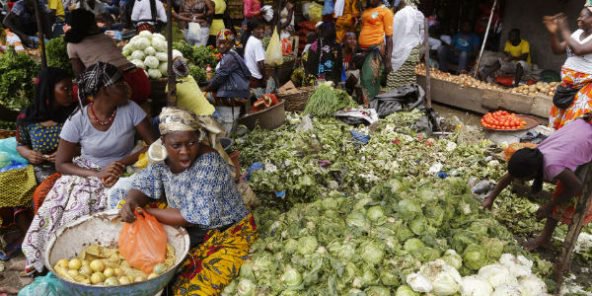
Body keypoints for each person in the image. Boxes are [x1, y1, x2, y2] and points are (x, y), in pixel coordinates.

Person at [21, 62, 156, 273]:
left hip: (127, 167)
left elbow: (154, 145)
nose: (127, 87)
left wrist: (122, 163)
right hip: (87, 169)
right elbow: (62, 163)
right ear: (104, 90)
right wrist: (97, 173)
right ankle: (53, 258)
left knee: (118, 203)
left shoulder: (131, 109)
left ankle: (98, 258)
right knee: (68, 206)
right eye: (119, 83)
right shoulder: (78, 119)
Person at [118, 107, 256, 295]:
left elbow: (188, 217)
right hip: (186, 221)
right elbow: (143, 186)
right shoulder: (161, 157)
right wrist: (132, 202)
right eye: (177, 145)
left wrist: (143, 212)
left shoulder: (209, 164)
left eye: (192, 143)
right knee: (124, 205)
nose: (185, 151)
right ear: (164, 142)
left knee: (193, 286)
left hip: (223, 228)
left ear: (198, 138)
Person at [483, 116, 592, 251]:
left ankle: (564, 250)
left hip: (586, 136)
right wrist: (491, 198)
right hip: (581, 129)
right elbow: (510, 175)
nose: (522, 181)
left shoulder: (551, 166)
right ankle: (544, 239)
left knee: (576, 198)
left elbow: (575, 187)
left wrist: (550, 205)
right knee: (561, 193)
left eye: (523, 178)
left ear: (532, 174)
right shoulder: (534, 154)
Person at [16, 68, 76, 209]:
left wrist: (70, 152)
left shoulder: (75, 113)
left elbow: (89, 142)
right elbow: (20, 144)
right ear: (48, 90)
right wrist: (28, 153)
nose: (70, 93)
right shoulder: (27, 117)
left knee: (56, 195)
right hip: (40, 169)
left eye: (71, 88)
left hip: (72, 166)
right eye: (65, 89)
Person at [65, 9, 151, 104]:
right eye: (93, 22)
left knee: (74, 92)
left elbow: (80, 75)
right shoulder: (105, 37)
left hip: (119, 88)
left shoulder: (72, 45)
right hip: (141, 82)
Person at [544, 8, 592, 130]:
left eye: (583, 16)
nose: (578, 18)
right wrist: (553, 33)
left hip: (586, 87)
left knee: (574, 124)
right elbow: (558, 50)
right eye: (579, 15)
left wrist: (564, 28)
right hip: (567, 86)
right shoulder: (576, 34)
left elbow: (579, 50)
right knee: (557, 122)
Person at [203, 29, 251, 133]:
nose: (221, 46)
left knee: (203, 97)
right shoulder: (230, 54)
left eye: (225, 43)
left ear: (232, 43)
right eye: (219, 42)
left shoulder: (230, 57)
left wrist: (205, 90)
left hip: (234, 95)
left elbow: (219, 79)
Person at [358, 0, 393, 99]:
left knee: (369, 79)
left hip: (375, 50)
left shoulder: (386, 12)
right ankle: (366, 106)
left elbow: (389, 37)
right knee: (363, 80)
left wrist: (388, 59)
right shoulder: (367, 10)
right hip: (363, 50)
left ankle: (371, 106)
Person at [385, 0, 424, 90]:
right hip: (413, 53)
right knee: (409, 80)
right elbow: (422, 37)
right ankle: (408, 99)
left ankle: (393, 100)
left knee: (395, 81)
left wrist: (389, 52)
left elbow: (392, 35)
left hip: (400, 53)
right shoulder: (420, 15)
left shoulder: (400, 14)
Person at [305, 22, 343, 86]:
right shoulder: (316, 46)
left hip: (326, 81)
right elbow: (339, 65)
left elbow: (310, 66)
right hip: (325, 81)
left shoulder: (315, 45)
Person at [243, 19, 266, 88]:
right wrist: (265, 79)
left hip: (249, 76)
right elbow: (261, 65)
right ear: (252, 30)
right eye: (258, 29)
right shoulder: (257, 42)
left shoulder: (251, 39)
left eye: (262, 28)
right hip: (255, 79)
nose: (261, 30)